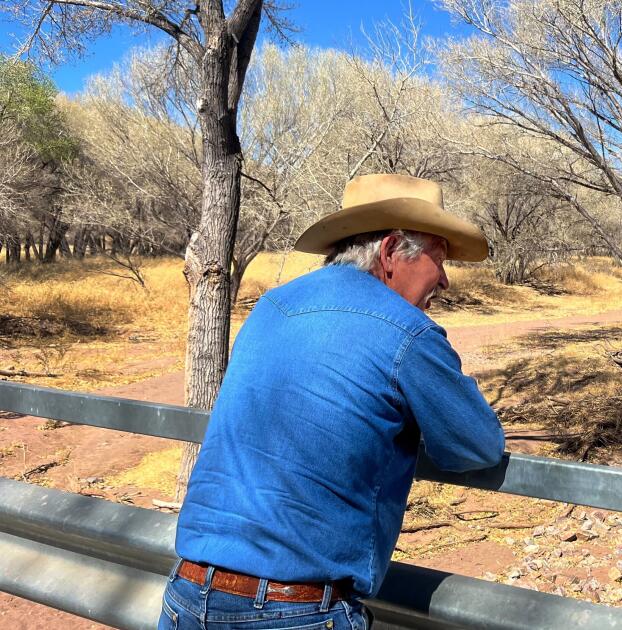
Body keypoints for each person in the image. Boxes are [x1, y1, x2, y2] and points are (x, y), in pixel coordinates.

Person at [158, 174, 506, 630]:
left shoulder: (273, 305)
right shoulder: (407, 331)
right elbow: (476, 446)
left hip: (187, 594)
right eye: (438, 258)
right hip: (293, 610)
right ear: (389, 252)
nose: (444, 280)